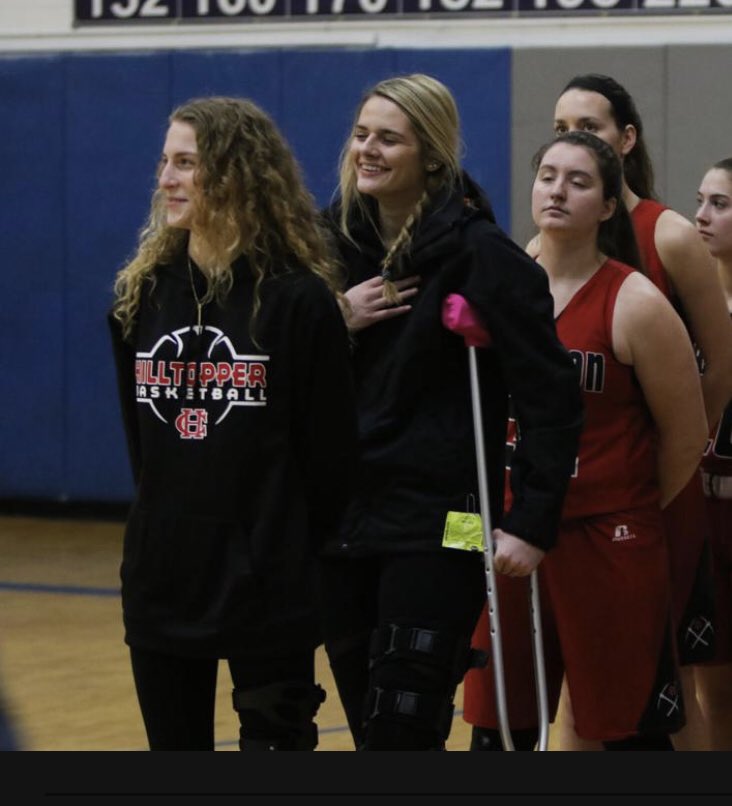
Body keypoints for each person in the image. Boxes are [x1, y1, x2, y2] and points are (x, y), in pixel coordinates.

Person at [315, 73, 584, 751]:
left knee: (407, 717)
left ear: (431, 154)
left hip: (451, 519)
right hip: (346, 517)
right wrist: (335, 318)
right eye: (361, 135)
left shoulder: (480, 254)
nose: (367, 150)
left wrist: (532, 521)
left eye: (389, 139)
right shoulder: (325, 246)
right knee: (369, 716)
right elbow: (280, 366)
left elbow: (552, 395)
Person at [108, 96, 358, 751]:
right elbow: (147, 452)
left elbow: (329, 459)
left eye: (186, 163)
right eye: (165, 162)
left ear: (236, 173)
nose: (165, 179)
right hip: (164, 581)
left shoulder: (299, 301)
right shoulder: (141, 296)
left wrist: (277, 547)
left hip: (267, 586)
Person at [464, 130, 709, 751]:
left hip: (605, 532)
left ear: (606, 206)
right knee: (498, 722)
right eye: (547, 176)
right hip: (504, 528)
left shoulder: (635, 300)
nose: (557, 191)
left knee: (626, 729)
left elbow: (686, 434)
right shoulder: (500, 286)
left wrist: (628, 508)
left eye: (578, 182)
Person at [528, 73, 732, 750]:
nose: (572, 143)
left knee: (668, 677)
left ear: (626, 139)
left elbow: (719, 367)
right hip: (559, 505)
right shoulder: (535, 256)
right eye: (559, 131)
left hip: (650, 492)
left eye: (587, 128)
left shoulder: (668, 235)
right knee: (574, 687)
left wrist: (658, 481)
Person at [693, 158, 732, 750]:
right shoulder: (685, 303)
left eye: (720, 204)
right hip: (701, 511)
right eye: (700, 200)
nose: (701, 215)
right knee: (711, 689)